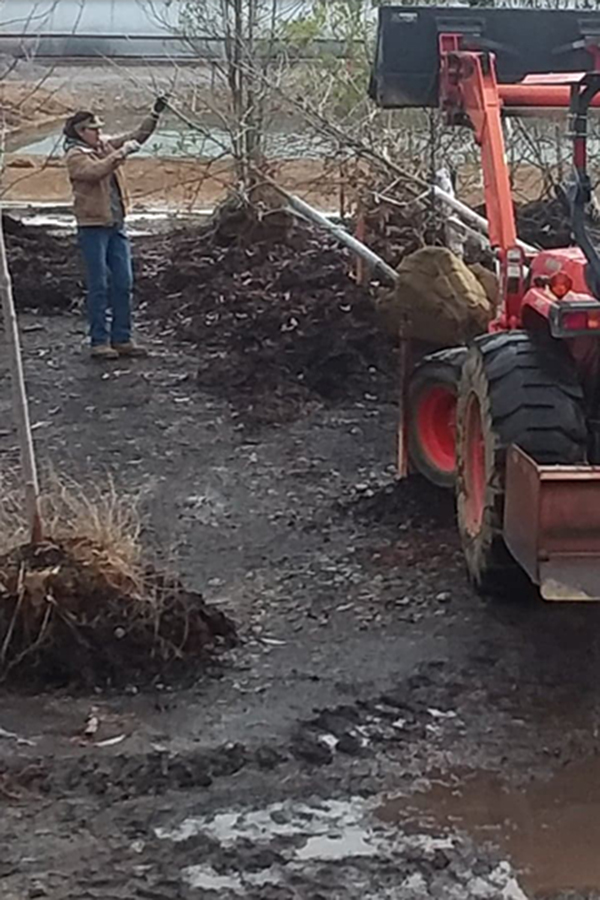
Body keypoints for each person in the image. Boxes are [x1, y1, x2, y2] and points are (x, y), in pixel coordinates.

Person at [64, 97, 168, 359]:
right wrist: (122, 153)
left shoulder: (102, 146)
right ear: (80, 132)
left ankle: (122, 338)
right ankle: (99, 341)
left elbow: (137, 135)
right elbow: (94, 172)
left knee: (123, 282)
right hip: (92, 227)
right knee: (99, 284)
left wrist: (154, 114)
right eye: (94, 129)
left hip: (115, 223)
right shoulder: (75, 155)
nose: (99, 133)